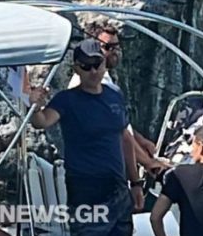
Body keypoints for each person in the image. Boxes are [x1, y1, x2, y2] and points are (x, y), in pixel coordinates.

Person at [29, 40, 142, 236]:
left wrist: (136, 183)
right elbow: (42, 121)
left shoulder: (115, 95)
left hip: (119, 189)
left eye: (97, 64)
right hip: (87, 192)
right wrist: (34, 105)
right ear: (76, 69)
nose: (93, 71)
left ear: (104, 64)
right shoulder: (67, 100)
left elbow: (125, 138)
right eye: (86, 66)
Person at [68, 23, 168, 182]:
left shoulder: (105, 80)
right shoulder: (90, 85)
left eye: (117, 46)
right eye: (108, 47)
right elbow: (119, 134)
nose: (115, 51)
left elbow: (121, 125)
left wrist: (141, 141)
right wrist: (149, 165)